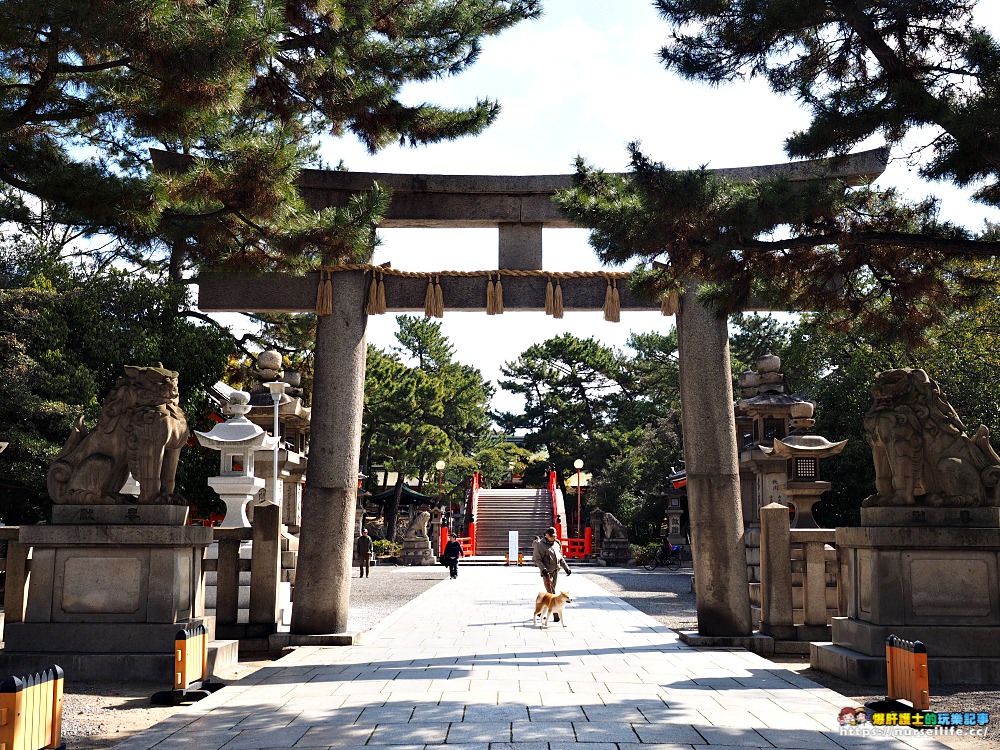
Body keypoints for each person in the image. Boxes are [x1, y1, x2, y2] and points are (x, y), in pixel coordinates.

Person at [532, 526, 572, 618]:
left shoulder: (557, 543)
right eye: (552, 536)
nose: (554, 537)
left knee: (550, 592)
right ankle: (556, 614)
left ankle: (541, 610)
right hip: (547, 572)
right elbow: (537, 559)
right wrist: (543, 569)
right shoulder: (540, 545)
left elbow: (560, 558)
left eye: (555, 536)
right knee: (551, 591)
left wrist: (566, 568)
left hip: (555, 570)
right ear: (546, 535)